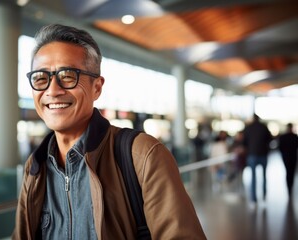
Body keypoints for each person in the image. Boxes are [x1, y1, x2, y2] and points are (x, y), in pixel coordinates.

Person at [12, 24, 206, 239]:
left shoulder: (142, 155)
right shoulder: (36, 166)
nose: (53, 90)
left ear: (97, 87)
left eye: (67, 76)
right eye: (40, 78)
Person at [243, 114, 272, 203]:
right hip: (263, 154)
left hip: (252, 154)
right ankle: (264, 196)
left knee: (253, 176)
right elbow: (270, 139)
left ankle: (253, 198)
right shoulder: (264, 127)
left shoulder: (248, 128)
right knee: (264, 175)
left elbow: (244, 142)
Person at [278, 123, 298, 197]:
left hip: (286, 156)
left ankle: (289, 187)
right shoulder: (295, 136)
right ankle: (290, 186)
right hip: (293, 156)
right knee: (291, 172)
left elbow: (280, 147)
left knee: (288, 171)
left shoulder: (283, 137)